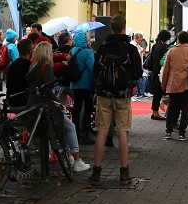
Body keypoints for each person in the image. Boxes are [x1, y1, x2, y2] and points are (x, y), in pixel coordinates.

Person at [90, 14, 141, 185]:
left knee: (102, 132)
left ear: (111, 27)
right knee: (122, 132)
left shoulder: (103, 47)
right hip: (122, 95)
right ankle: (124, 171)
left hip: (104, 94)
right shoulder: (130, 48)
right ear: (124, 27)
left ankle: (96, 172)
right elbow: (137, 74)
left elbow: (95, 72)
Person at [26, 42, 90, 172]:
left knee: (63, 129)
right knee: (69, 127)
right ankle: (76, 160)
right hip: (46, 106)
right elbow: (48, 91)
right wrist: (58, 103)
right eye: (50, 51)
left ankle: (69, 157)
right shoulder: (46, 67)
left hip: (34, 104)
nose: (52, 54)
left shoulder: (33, 67)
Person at [161, 31, 188, 141]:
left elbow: (166, 70)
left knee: (172, 107)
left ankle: (168, 131)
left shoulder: (171, 51)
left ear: (178, 39)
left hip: (174, 83)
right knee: (185, 109)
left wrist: (164, 85)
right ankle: (182, 133)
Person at [64, 32, 96, 145]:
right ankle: (85, 133)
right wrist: (94, 83)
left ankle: (75, 132)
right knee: (88, 108)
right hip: (86, 84)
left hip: (75, 84)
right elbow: (93, 68)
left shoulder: (72, 51)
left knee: (76, 108)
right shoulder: (87, 52)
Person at [146, 30, 171, 120]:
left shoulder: (155, 46)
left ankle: (154, 111)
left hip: (154, 71)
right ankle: (156, 112)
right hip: (160, 72)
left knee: (156, 93)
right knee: (159, 93)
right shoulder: (163, 48)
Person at [4, 38, 34, 109]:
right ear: (30, 51)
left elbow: (8, 85)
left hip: (12, 102)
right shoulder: (31, 66)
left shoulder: (11, 66)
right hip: (25, 102)